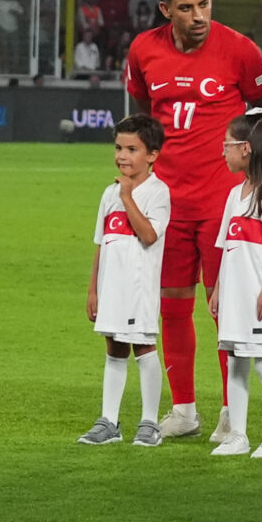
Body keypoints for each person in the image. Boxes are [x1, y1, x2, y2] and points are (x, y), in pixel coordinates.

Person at [122, 0, 262, 441]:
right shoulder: (144, 50)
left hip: (222, 203)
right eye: (186, 7)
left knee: (227, 310)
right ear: (166, 9)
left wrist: (254, 182)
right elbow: (146, 111)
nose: (198, 15)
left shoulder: (242, 51)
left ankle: (234, 411)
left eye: (204, 3)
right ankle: (184, 410)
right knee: (171, 306)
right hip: (167, 205)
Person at [80, 115, 170, 449]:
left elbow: (148, 235)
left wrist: (129, 197)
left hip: (139, 289)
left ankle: (150, 423)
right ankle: (109, 421)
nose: (122, 155)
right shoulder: (109, 193)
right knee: (114, 349)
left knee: (143, 347)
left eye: (132, 149)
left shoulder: (158, 193)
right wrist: (93, 289)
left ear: (152, 155)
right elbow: (101, 242)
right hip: (112, 286)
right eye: (118, 147)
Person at [212, 113, 262, 459]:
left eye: (227, 145)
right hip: (235, 293)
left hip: (260, 294)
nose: (223, 153)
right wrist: (218, 289)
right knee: (236, 361)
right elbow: (225, 247)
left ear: (246, 148)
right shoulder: (235, 194)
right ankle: (239, 434)